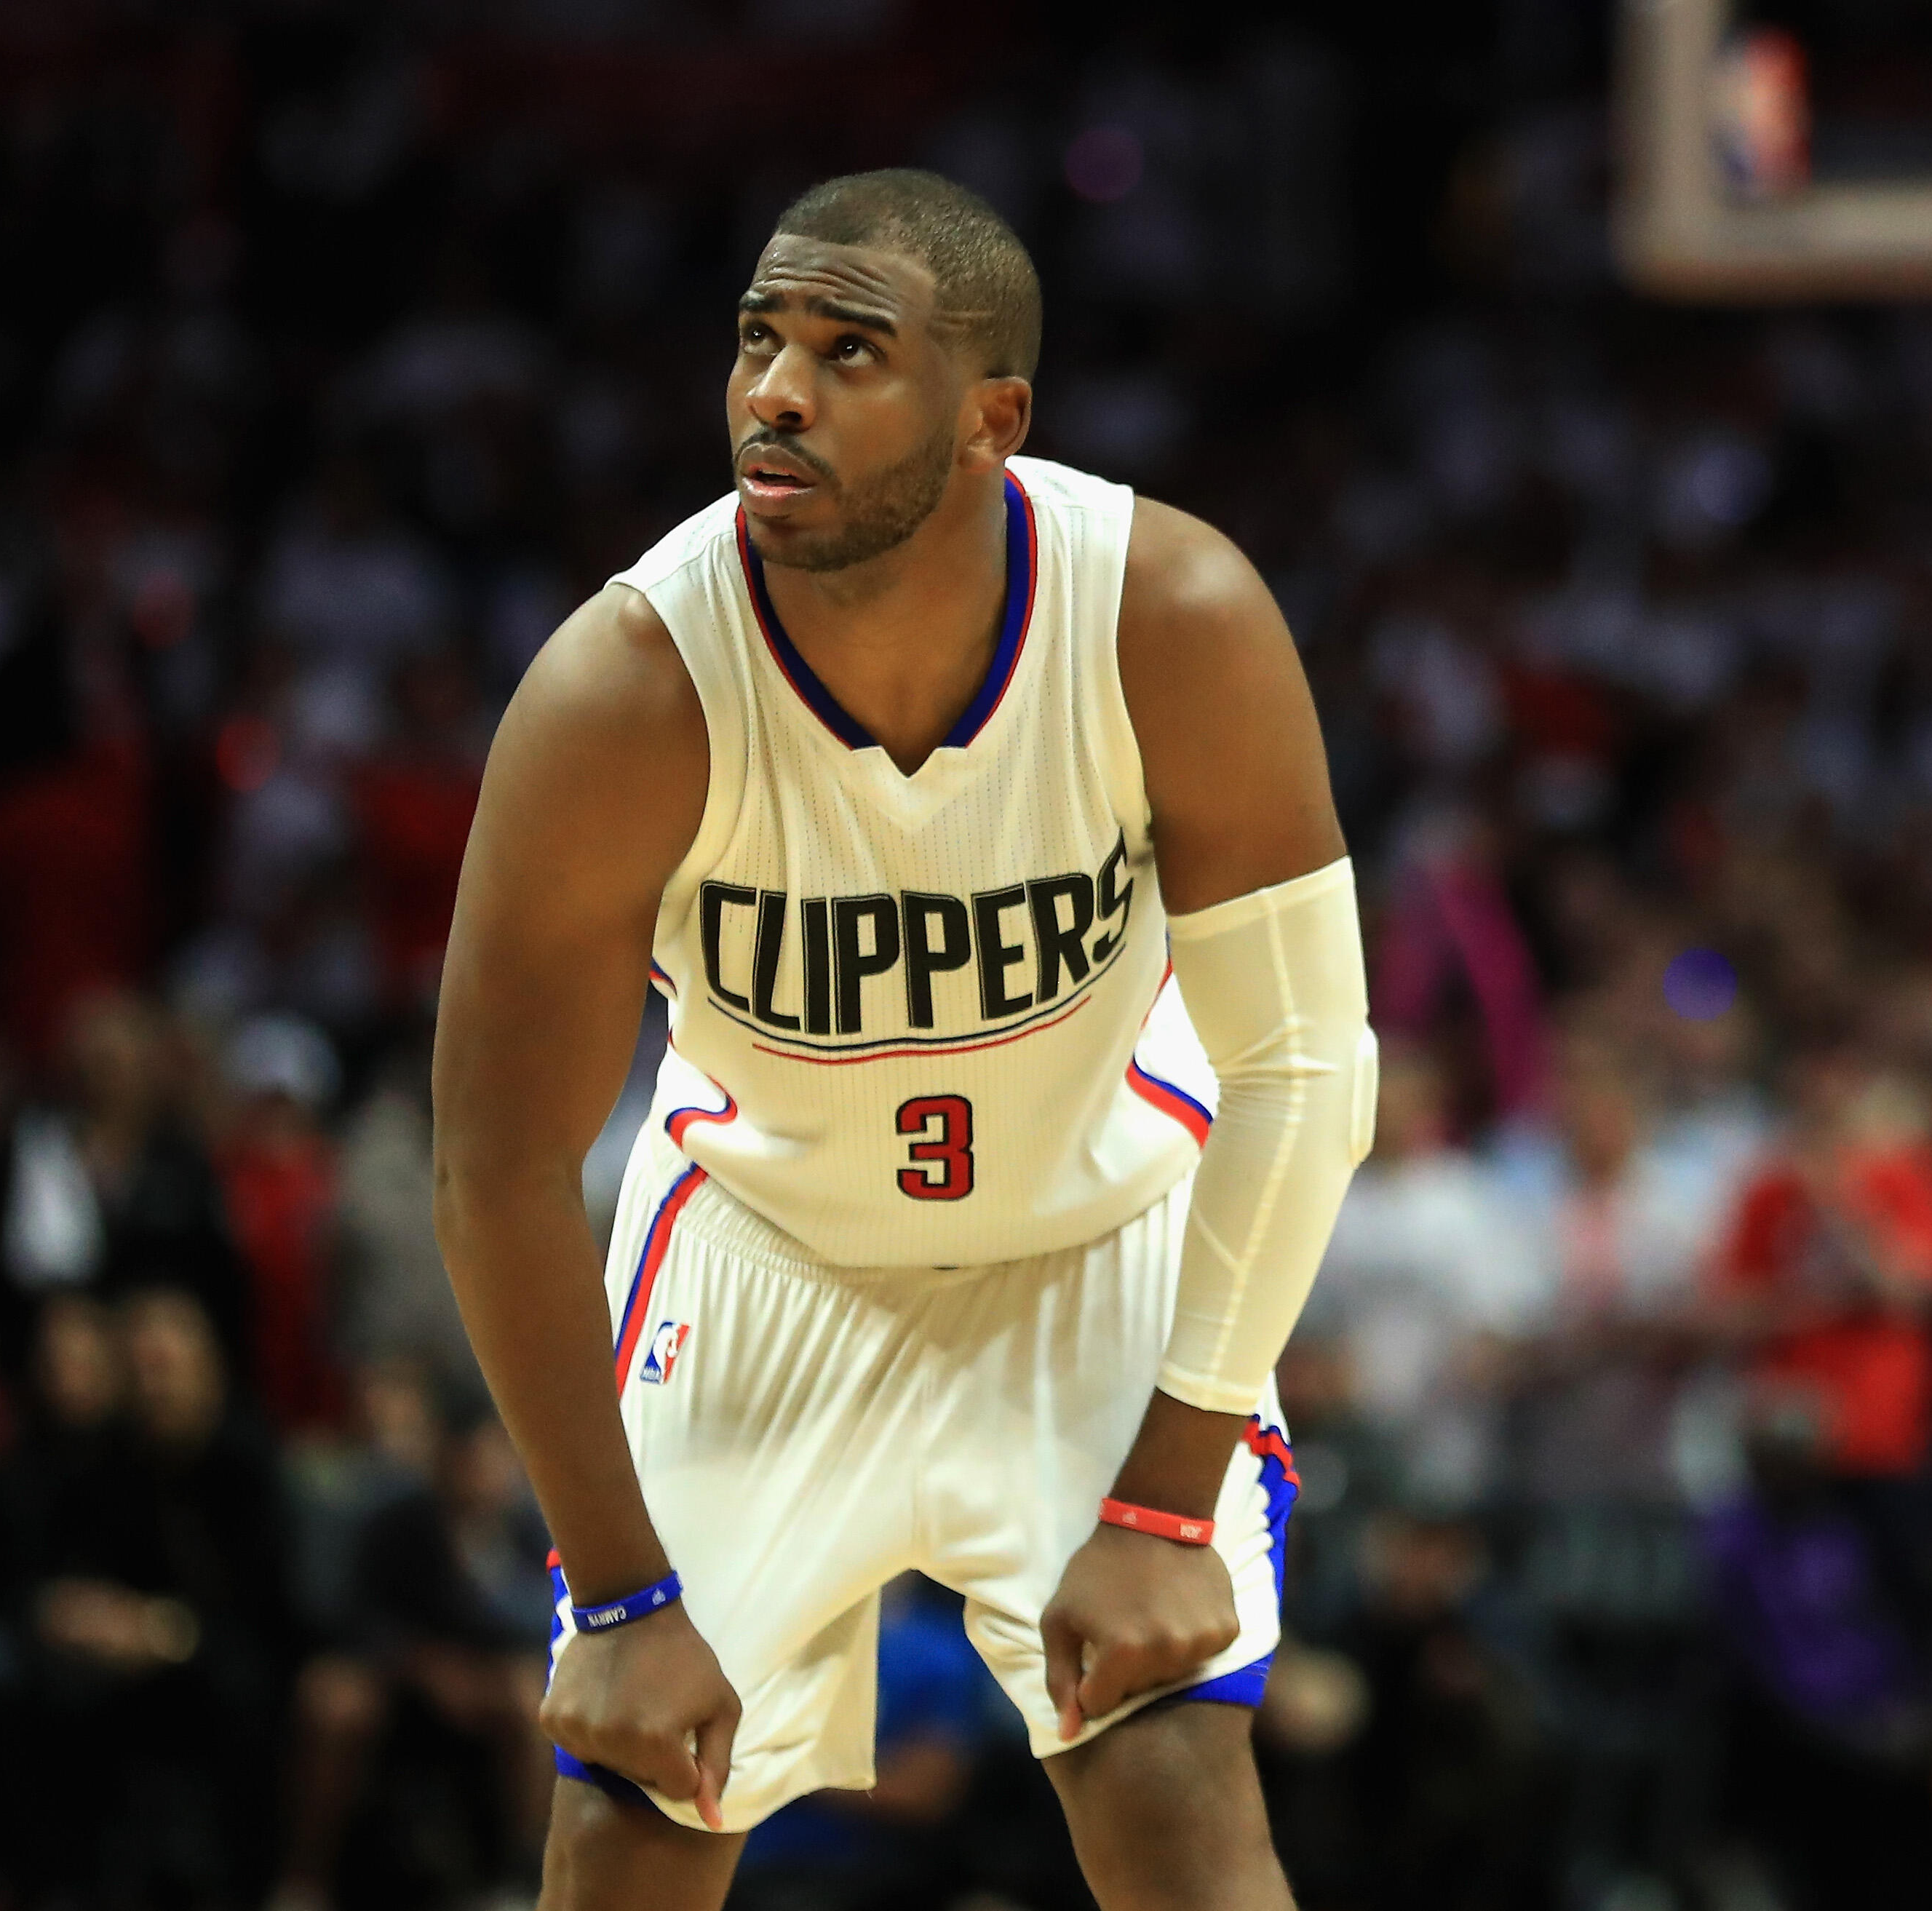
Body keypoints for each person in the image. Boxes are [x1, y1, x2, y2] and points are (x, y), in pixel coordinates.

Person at [431, 170, 1372, 1911]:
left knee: (1172, 1784)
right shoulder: (624, 687)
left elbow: (1308, 1069)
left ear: (985, 419)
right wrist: (628, 1602)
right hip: (767, 1261)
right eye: (757, 340)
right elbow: (491, 1163)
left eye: (848, 351)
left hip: (1090, 1243)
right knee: (631, 1825)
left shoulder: (1166, 615)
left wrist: (1165, 1499)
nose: (774, 390)